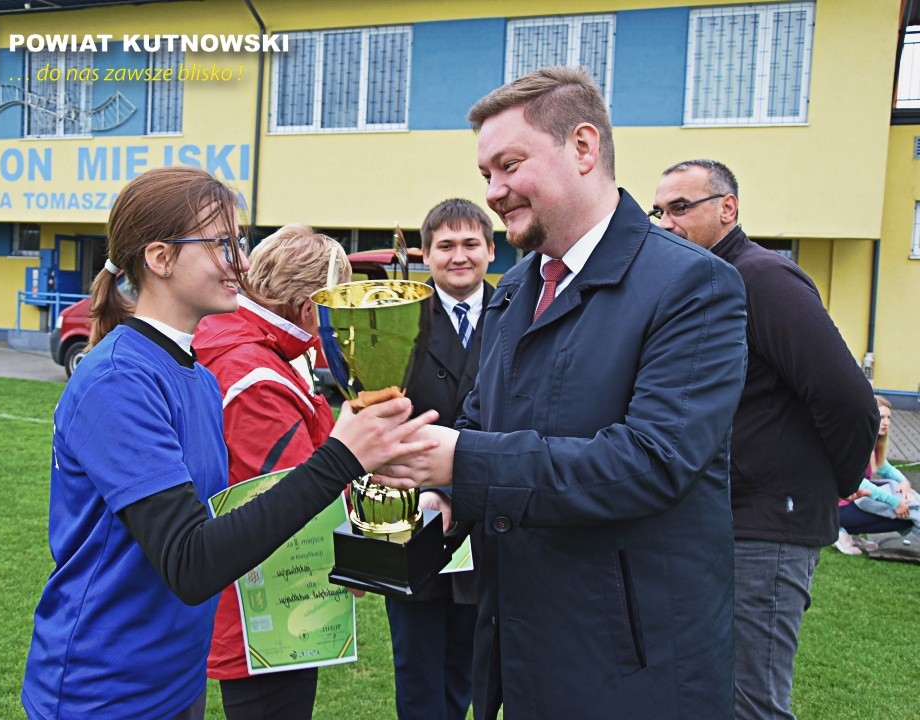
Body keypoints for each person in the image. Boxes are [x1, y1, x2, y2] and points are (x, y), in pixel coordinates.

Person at [376, 66, 749, 720]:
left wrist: (461, 461)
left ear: (583, 148)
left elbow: (652, 463)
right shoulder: (517, 288)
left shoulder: (694, 286)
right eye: (484, 175)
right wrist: (438, 493)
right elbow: (481, 420)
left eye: (509, 165)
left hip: (635, 672)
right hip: (524, 657)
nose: (493, 191)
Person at [20, 167, 437, 720]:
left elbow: (231, 517)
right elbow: (190, 561)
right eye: (222, 244)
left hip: (175, 676)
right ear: (160, 258)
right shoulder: (118, 380)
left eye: (239, 242)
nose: (241, 262)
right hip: (105, 689)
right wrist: (340, 456)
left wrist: (347, 550)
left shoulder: (192, 371)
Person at [652, 159, 879, 720]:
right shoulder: (699, 283)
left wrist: (836, 481)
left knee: (749, 704)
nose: (667, 222)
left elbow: (849, 400)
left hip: (769, 529)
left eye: (681, 207)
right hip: (718, 521)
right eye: (660, 211)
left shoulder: (764, 278)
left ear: (727, 208)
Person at [191, 227, 352, 720]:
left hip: (249, 593)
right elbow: (293, 503)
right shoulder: (253, 370)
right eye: (335, 307)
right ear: (308, 310)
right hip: (266, 607)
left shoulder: (242, 342)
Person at [384, 198, 494, 720]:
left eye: (471, 244)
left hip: (490, 516)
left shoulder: (519, 316)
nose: (459, 256)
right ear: (425, 255)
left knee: (469, 669)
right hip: (415, 515)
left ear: (492, 251)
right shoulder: (396, 320)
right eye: (445, 245)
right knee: (419, 673)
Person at [836, 395, 919, 551]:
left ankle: (852, 533)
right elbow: (860, 482)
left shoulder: (873, 444)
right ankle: (839, 531)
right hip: (837, 510)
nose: (886, 422)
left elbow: (887, 469)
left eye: (889, 417)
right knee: (905, 517)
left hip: (853, 503)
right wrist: (895, 502)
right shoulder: (857, 444)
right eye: (881, 417)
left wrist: (905, 483)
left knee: (907, 511)